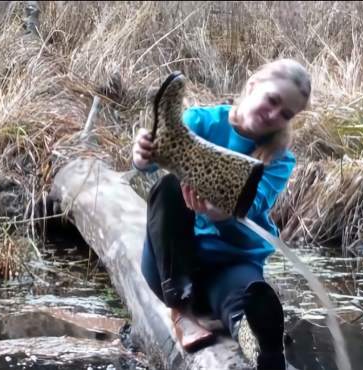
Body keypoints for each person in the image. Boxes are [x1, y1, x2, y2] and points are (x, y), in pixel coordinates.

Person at [131, 58, 311, 370]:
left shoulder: (279, 158)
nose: (274, 115)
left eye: (285, 114)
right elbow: (158, 160)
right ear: (252, 85)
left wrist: (222, 215)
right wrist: (143, 156)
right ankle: (181, 313)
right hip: (171, 270)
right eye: (272, 100)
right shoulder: (200, 121)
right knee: (170, 186)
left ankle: (264, 353)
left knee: (246, 301)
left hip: (230, 264)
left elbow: (253, 207)